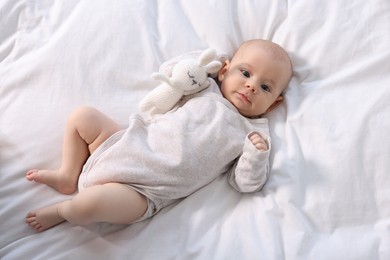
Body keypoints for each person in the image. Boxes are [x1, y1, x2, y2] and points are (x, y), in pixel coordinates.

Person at [25, 39, 293, 232]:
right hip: (124, 143)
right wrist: (207, 64)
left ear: (274, 104)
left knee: (83, 207)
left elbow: (243, 183)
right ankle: (67, 174)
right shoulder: (205, 88)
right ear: (225, 70)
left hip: (144, 192)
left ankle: (62, 211)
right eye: (245, 72)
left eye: (265, 87)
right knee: (82, 117)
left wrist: (257, 156)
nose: (251, 85)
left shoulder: (254, 134)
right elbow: (171, 72)